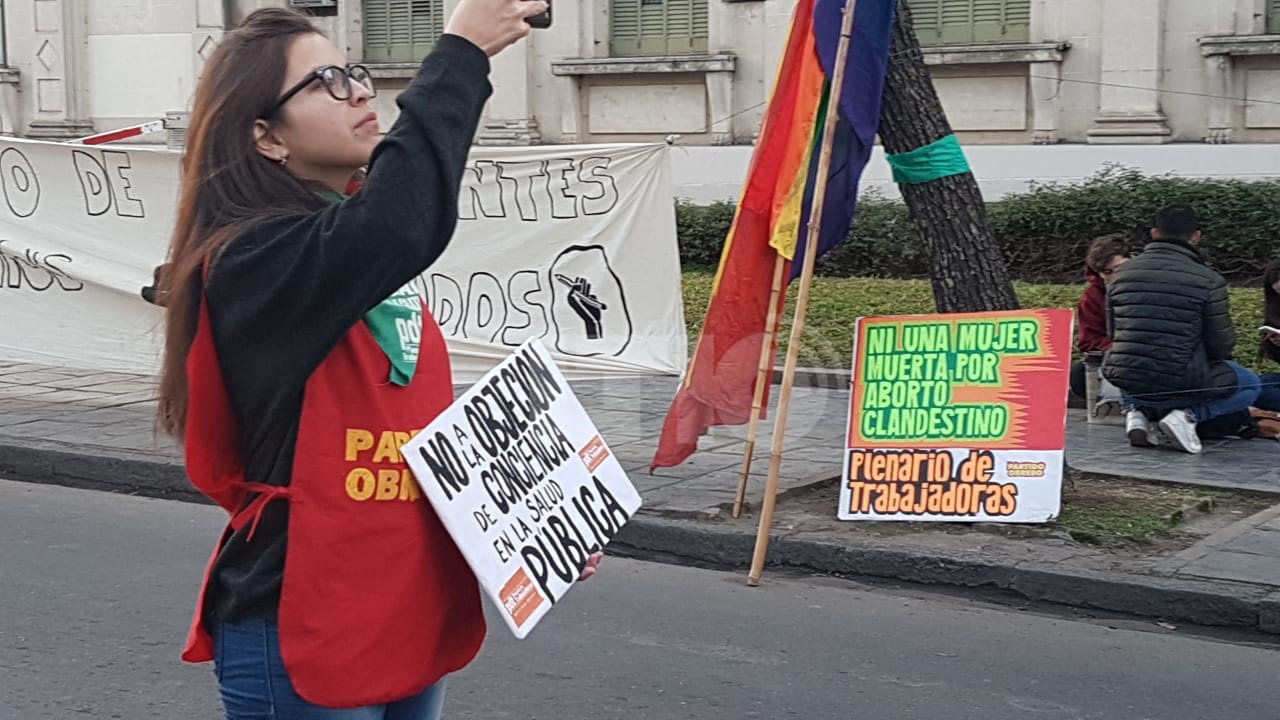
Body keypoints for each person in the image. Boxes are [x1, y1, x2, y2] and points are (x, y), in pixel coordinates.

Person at [154, 5, 601, 719]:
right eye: (326, 81)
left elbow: (419, 439)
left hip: (406, 611)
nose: (361, 91)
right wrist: (462, 51)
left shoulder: (351, 258)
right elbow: (398, 221)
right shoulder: (255, 259)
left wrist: (534, 522)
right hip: (302, 622)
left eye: (354, 72)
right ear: (267, 136)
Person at [1103, 204, 1261, 454]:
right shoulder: (1208, 280)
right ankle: (1187, 417)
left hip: (1128, 379)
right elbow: (1221, 344)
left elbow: (1114, 333)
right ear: (1196, 236)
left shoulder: (1120, 276)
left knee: (1130, 358)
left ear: (1155, 233)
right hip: (1181, 380)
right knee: (1250, 383)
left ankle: (1136, 414)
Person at [1070, 233, 1130, 403]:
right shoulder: (1092, 297)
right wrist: (1117, 348)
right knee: (1079, 376)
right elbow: (1089, 340)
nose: (1114, 276)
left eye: (1119, 268)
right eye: (1107, 272)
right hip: (1117, 356)